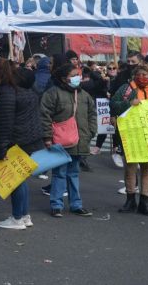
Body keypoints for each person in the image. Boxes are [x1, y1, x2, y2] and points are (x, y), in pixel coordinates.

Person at [111, 65, 148, 217]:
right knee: (130, 169)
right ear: (134, 76)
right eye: (140, 74)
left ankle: (144, 203)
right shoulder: (126, 89)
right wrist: (129, 103)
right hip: (131, 135)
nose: (143, 77)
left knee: (147, 170)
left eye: (146, 74)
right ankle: (130, 200)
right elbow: (113, 104)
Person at [41, 62, 95, 218]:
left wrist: (91, 131)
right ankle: (56, 205)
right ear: (64, 79)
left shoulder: (84, 95)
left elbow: (92, 113)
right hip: (61, 141)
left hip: (79, 140)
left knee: (74, 173)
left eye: (78, 74)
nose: (78, 77)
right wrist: (47, 137)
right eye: (73, 75)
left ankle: (76, 205)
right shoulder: (53, 93)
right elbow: (44, 116)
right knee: (59, 173)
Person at [0, 59, 42, 230]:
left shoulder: (7, 92)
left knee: (16, 180)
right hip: (31, 139)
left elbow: (5, 122)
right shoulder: (30, 91)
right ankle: (24, 215)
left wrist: (1, 148)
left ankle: (17, 217)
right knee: (22, 178)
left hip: (16, 141)